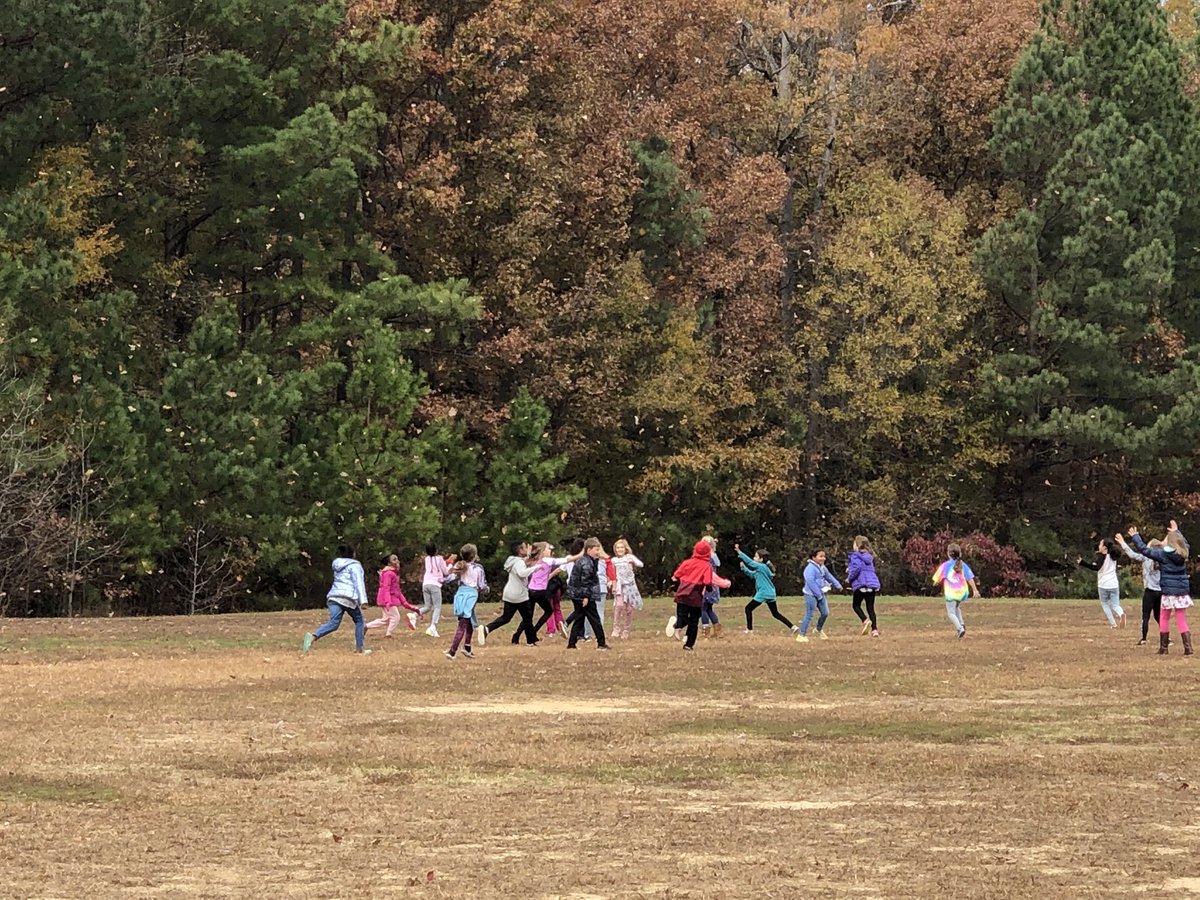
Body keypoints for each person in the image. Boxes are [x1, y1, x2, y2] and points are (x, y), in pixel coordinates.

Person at [1127, 521, 1193, 656]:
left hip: (1169, 591)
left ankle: (1164, 648)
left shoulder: (1162, 554)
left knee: (1164, 618)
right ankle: (1188, 648)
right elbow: (1185, 543)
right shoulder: (1183, 553)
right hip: (1182, 592)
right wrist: (1177, 532)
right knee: (1181, 619)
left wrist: (1136, 536)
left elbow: (1145, 550)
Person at [303, 545, 371, 654]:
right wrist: (363, 601)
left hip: (334, 596)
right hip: (348, 598)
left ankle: (313, 636)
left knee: (334, 623)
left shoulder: (337, 565)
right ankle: (359, 649)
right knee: (359, 621)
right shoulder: (355, 566)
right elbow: (359, 583)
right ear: (353, 555)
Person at [482, 540, 538, 646]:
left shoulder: (511, 560)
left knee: (506, 617)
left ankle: (487, 628)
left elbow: (522, 562)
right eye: (525, 547)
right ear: (520, 550)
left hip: (509, 593)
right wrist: (536, 568)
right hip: (519, 595)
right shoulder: (519, 562)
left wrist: (530, 554)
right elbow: (522, 573)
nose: (526, 549)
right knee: (527, 618)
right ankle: (531, 641)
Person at [735, 544, 797, 635]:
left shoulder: (761, 567)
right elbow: (753, 574)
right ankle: (793, 627)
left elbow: (750, 562)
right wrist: (744, 568)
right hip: (771, 593)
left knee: (748, 608)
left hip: (763, 593)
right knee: (775, 613)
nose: (754, 558)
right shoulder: (762, 569)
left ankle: (749, 630)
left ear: (761, 559)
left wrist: (739, 552)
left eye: (755, 556)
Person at [1115, 531, 1163, 646]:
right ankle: (1166, 637)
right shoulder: (1162, 559)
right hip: (1160, 591)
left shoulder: (1146, 558)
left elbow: (1132, 554)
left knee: (1145, 615)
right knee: (1159, 616)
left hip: (1149, 591)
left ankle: (1144, 638)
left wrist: (1122, 542)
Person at [666, 540, 715, 651]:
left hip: (682, 594)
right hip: (695, 595)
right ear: (708, 553)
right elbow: (707, 581)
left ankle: (678, 625)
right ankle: (688, 645)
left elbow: (676, 575)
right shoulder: (707, 566)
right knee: (694, 620)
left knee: (682, 615)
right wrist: (709, 589)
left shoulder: (687, 562)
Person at [445, 544, 487, 659]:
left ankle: (467, 647)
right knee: (463, 623)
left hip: (460, 595)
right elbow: (481, 585)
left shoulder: (460, 566)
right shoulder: (478, 568)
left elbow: (449, 578)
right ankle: (452, 651)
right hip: (471, 596)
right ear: (474, 555)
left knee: (467, 620)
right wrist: (486, 589)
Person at [566, 538, 609, 650]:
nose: (598, 552)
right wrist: (586, 597)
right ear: (589, 550)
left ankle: (571, 643)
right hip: (583, 595)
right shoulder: (586, 563)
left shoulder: (589, 561)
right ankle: (601, 643)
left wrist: (597, 560)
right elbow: (585, 581)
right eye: (596, 549)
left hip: (576, 594)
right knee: (595, 618)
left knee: (579, 618)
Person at [365, 553, 420, 637]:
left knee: (386, 619)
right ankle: (388, 635)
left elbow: (397, 591)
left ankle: (366, 627)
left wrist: (408, 606)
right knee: (395, 617)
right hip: (387, 599)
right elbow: (386, 588)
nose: (397, 561)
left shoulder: (393, 574)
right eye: (394, 559)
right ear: (389, 563)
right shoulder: (389, 574)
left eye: (397, 559)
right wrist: (388, 602)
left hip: (386, 599)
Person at [933, 542, 980, 640]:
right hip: (962, 591)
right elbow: (970, 577)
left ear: (949, 554)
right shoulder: (962, 564)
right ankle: (962, 623)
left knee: (951, 612)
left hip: (951, 592)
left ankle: (960, 628)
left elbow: (938, 577)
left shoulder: (946, 565)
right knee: (957, 607)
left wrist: (936, 582)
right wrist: (975, 590)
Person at [1078, 538, 1126, 629]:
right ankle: (1121, 614)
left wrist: (1082, 563)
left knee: (1105, 604)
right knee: (1115, 605)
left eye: (1100, 544)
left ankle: (1113, 624)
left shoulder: (1101, 557)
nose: (1099, 546)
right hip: (1114, 584)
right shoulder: (1114, 557)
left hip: (1103, 584)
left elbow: (1095, 568)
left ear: (1104, 548)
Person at [797, 549, 842, 642]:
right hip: (810, 595)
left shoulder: (822, 567)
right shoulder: (810, 568)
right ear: (813, 557)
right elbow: (810, 582)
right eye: (820, 556)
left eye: (824, 556)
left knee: (825, 613)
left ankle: (818, 629)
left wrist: (838, 585)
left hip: (820, 594)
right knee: (809, 615)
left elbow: (828, 576)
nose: (823, 558)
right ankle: (801, 635)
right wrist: (818, 595)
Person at [847, 535, 882, 637]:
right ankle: (874, 630)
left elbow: (856, 568)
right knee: (870, 608)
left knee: (856, 605)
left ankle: (865, 620)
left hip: (861, 584)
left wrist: (849, 578)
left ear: (857, 545)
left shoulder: (855, 556)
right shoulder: (869, 556)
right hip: (871, 585)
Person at [610, 538, 645, 639]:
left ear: (625, 549)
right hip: (619, 585)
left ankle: (626, 630)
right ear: (615, 549)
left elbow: (641, 564)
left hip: (630, 586)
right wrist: (613, 585)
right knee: (619, 605)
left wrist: (632, 561)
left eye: (621, 547)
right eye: (618, 547)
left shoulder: (629, 557)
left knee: (629, 609)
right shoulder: (614, 560)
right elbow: (612, 574)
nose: (620, 549)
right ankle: (616, 628)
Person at [419, 543, 454, 638]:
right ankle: (433, 627)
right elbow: (446, 572)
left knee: (427, 606)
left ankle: (414, 614)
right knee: (437, 607)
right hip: (435, 584)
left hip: (426, 584)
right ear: (436, 550)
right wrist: (450, 563)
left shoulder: (426, 559)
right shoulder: (439, 558)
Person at [700, 535, 723, 639]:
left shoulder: (706, 557)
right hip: (714, 585)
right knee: (709, 609)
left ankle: (706, 630)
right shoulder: (714, 556)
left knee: (703, 608)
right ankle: (717, 630)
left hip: (706, 585)